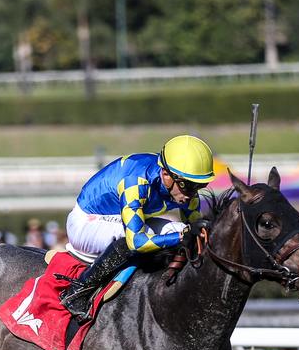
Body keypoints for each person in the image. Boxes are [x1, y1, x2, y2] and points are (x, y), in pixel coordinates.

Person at [61, 135, 214, 321]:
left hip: (116, 218)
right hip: (86, 223)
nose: (191, 195)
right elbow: (136, 242)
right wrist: (181, 237)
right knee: (151, 236)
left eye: (199, 186)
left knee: (177, 227)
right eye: (188, 186)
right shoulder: (136, 182)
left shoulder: (183, 187)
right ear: (166, 175)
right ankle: (78, 292)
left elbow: (194, 230)